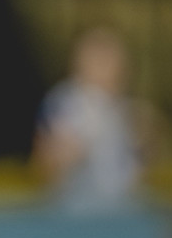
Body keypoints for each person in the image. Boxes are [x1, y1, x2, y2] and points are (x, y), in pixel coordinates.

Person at [33, 27, 147, 213]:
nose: (110, 68)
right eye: (100, 60)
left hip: (117, 212)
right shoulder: (71, 104)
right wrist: (63, 154)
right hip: (80, 214)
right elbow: (46, 161)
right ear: (78, 65)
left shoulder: (120, 109)